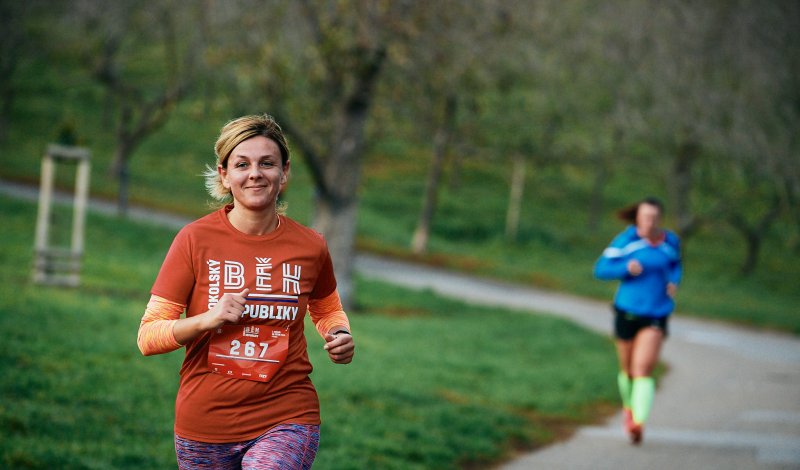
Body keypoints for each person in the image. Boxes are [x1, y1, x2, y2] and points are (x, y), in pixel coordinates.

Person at [137, 114, 355, 469]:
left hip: (287, 414)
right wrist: (207, 319)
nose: (255, 173)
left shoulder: (311, 246)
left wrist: (339, 333)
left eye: (267, 163)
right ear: (224, 175)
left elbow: (328, 309)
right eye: (242, 164)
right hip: (204, 423)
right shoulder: (194, 240)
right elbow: (148, 337)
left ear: (284, 173)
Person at [593, 197, 681, 445]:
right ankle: (629, 408)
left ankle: (638, 423)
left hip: (656, 313)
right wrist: (624, 268)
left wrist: (674, 281)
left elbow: (676, 265)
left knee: (642, 368)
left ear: (660, 218)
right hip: (627, 311)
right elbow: (600, 269)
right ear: (637, 218)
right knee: (628, 370)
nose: (649, 222)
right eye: (645, 217)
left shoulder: (670, 241)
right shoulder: (626, 241)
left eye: (654, 217)